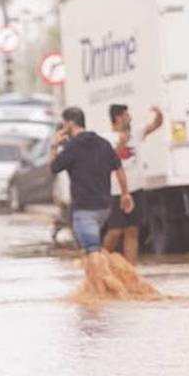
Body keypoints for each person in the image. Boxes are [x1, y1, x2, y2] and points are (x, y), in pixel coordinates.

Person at [49, 107, 134, 285]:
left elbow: (53, 168)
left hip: (84, 209)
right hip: (104, 207)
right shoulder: (103, 143)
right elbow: (118, 167)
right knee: (90, 250)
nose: (62, 128)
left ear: (70, 123)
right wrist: (125, 194)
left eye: (64, 124)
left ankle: (103, 290)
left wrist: (54, 146)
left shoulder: (72, 147)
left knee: (92, 251)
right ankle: (98, 285)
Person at [103, 103, 163, 263]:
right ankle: (101, 262)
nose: (130, 118)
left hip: (136, 188)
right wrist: (121, 143)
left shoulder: (135, 132)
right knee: (115, 230)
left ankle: (131, 267)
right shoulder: (106, 138)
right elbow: (110, 159)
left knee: (133, 230)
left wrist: (159, 114)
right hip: (116, 192)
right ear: (118, 117)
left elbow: (155, 125)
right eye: (127, 115)